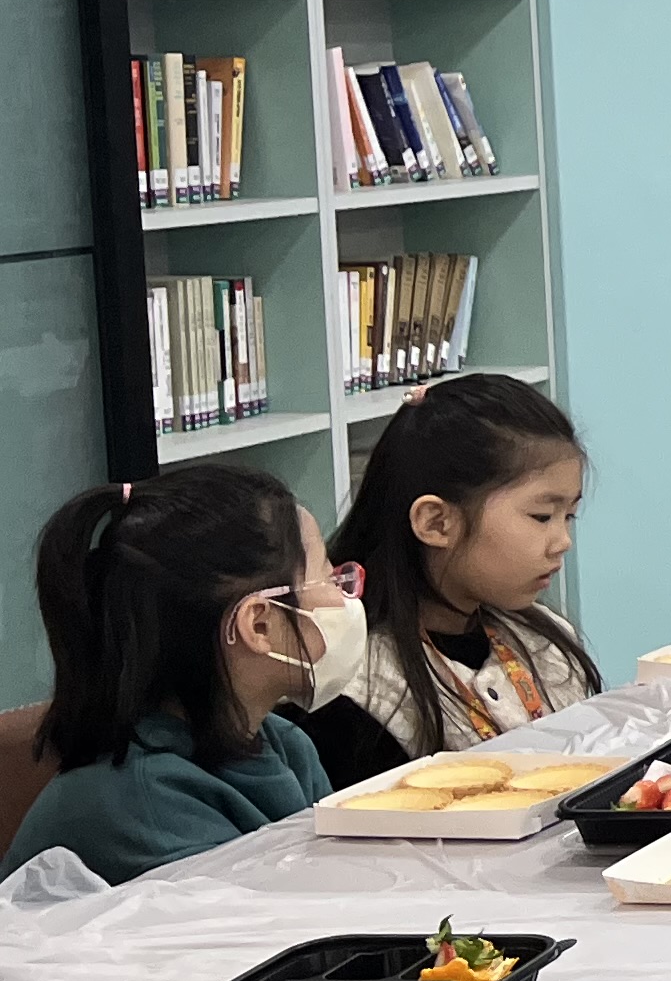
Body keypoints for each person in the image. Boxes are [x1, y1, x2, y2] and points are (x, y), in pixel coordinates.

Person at [10, 467, 349, 886]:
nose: (345, 597)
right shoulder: (143, 805)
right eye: (331, 578)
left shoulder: (285, 744)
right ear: (258, 625)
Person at [308, 375, 601, 787]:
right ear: (436, 523)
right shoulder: (359, 691)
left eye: (568, 516)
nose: (563, 542)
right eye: (541, 517)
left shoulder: (546, 641)